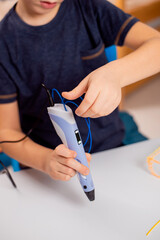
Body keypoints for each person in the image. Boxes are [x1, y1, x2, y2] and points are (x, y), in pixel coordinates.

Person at [0, 0, 159, 182]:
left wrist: (116, 74)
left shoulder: (90, 8)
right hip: (51, 166)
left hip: (114, 144)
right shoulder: (4, 44)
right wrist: (45, 161)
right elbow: (7, 132)